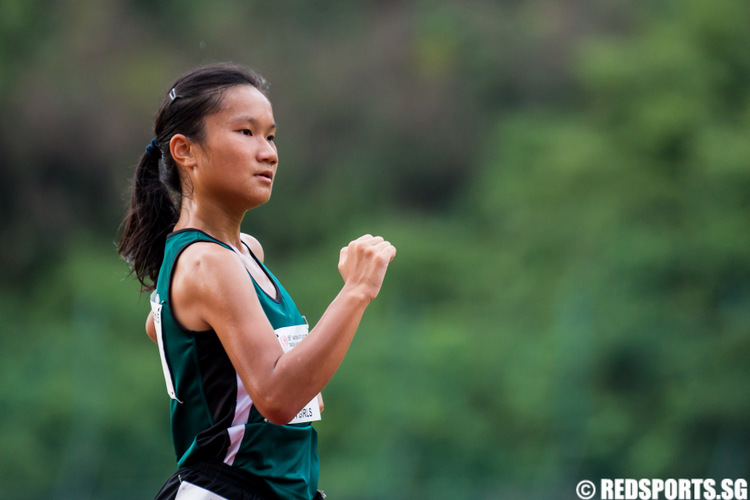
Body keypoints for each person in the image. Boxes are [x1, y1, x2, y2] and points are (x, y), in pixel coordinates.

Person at [118, 62, 396, 500]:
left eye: (270, 135)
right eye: (245, 133)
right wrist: (356, 291)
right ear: (184, 151)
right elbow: (278, 398)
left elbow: (159, 324)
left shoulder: (242, 252)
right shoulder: (208, 262)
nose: (268, 152)